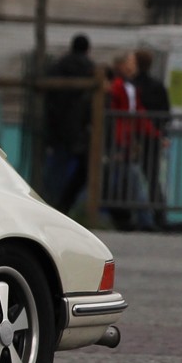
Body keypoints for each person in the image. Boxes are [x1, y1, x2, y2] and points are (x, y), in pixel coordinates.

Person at [104, 50, 158, 231]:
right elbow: (133, 114)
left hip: (123, 139)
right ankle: (145, 220)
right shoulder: (122, 87)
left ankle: (132, 218)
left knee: (123, 180)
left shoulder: (126, 86)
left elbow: (136, 114)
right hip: (122, 140)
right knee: (130, 179)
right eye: (130, 61)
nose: (133, 65)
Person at [42, 34, 96, 213]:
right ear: (87, 49)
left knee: (55, 169)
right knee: (82, 171)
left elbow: (48, 97)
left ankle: (48, 204)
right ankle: (67, 207)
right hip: (79, 128)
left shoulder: (58, 66)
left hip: (57, 126)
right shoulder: (90, 69)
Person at [131, 48, 171, 229]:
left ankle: (134, 215)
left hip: (134, 137)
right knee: (153, 178)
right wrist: (161, 133)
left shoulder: (132, 85)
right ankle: (160, 215)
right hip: (153, 137)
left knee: (130, 175)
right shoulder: (157, 85)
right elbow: (166, 112)